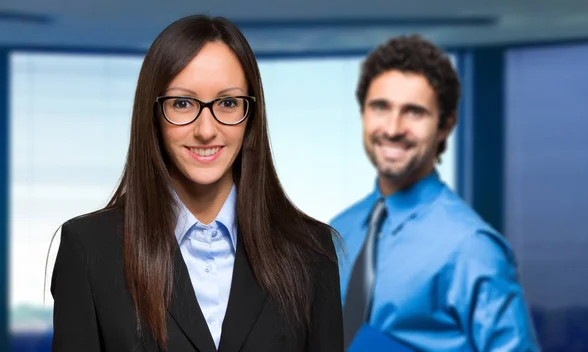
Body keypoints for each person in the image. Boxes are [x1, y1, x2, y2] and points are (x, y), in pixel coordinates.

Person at [50, 14, 343, 352]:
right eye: (183, 103)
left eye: (229, 103)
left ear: (251, 117)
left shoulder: (310, 251)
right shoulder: (89, 249)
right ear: (154, 115)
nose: (206, 130)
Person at [330, 35, 539, 351]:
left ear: (445, 125)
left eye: (414, 112)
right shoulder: (338, 232)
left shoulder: (471, 248)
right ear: (363, 113)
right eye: (380, 107)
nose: (393, 128)